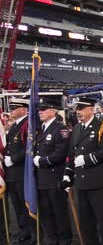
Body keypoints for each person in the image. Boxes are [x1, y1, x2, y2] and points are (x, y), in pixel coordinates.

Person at [62, 97, 103, 245]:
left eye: (81, 109)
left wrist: (86, 159)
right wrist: (68, 175)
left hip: (98, 181)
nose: (77, 112)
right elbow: (72, 154)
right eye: (76, 109)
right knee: (86, 222)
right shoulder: (77, 128)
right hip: (82, 182)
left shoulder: (102, 126)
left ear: (91, 109)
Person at [34, 97, 73, 244]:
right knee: (46, 212)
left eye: (44, 109)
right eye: (40, 109)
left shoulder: (61, 129)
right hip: (42, 179)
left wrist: (41, 161)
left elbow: (61, 153)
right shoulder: (40, 129)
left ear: (53, 111)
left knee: (59, 212)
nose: (40, 112)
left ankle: (64, 239)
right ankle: (52, 239)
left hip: (55, 177)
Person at [4, 99, 37, 245]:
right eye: (11, 108)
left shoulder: (27, 125)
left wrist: (13, 159)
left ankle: (33, 233)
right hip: (11, 174)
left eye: (14, 107)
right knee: (17, 206)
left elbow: (29, 148)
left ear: (24, 110)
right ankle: (24, 232)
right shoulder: (14, 126)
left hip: (23, 173)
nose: (11, 110)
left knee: (26, 205)